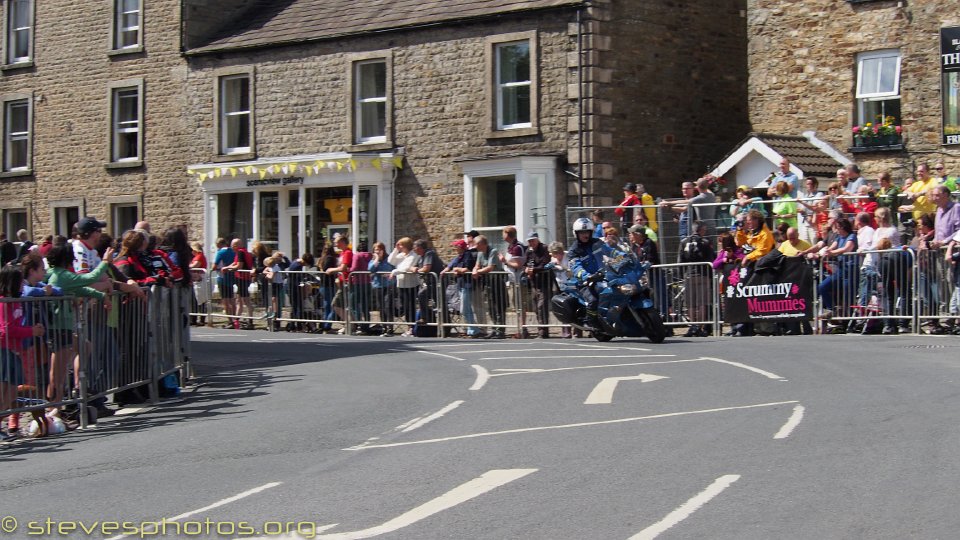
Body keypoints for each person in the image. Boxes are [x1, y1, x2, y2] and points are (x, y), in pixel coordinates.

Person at [0, 266, 45, 440]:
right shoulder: (4, 302)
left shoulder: (15, 301)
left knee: (11, 395)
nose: (22, 284)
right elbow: (6, 329)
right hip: (4, 350)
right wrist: (30, 331)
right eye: (19, 281)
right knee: (4, 394)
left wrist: (31, 330)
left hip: (14, 351)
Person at [567, 217, 613, 329]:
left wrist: (622, 256)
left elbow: (611, 252)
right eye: (582, 232)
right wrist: (586, 275)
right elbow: (576, 267)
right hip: (585, 282)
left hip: (603, 276)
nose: (585, 235)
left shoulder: (597, 242)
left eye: (587, 231)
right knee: (593, 300)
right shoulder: (574, 250)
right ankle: (591, 321)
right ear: (576, 234)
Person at [678, 220, 715, 337]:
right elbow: (711, 258)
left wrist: (680, 275)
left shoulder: (684, 242)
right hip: (703, 274)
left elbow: (680, 260)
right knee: (702, 303)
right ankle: (699, 326)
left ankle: (692, 326)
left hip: (689, 275)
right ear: (702, 230)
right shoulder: (705, 242)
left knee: (691, 304)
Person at [444, 239, 481, 337]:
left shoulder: (467, 255)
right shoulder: (458, 257)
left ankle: (474, 329)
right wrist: (445, 271)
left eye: (456, 246)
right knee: (465, 308)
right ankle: (472, 329)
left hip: (467, 284)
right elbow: (450, 265)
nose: (455, 248)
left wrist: (457, 269)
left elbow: (468, 268)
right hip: (460, 284)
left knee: (464, 308)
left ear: (461, 247)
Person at [472, 235, 507, 339]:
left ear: (483, 244)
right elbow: (477, 265)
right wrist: (475, 269)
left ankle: (500, 330)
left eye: (477, 244)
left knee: (499, 306)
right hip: (487, 282)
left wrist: (477, 271)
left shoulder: (493, 251)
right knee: (491, 307)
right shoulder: (480, 253)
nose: (475, 246)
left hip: (496, 281)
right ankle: (494, 328)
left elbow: (490, 267)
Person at [523, 231, 552, 338]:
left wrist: (533, 270)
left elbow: (545, 264)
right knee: (536, 308)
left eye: (533, 241)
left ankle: (543, 331)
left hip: (544, 282)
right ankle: (541, 328)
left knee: (541, 306)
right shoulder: (528, 251)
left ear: (537, 239)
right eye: (529, 241)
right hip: (534, 283)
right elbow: (525, 264)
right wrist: (526, 269)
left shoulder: (544, 248)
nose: (531, 243)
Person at [221, 239, 256, 329]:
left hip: (243, 278)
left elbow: (239, 266)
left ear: (236, 245)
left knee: (246, 301)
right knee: (239, 301)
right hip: (242, 278)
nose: (232, 247)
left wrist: (228, 269)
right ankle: (235, 321)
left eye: (233, 245)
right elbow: (235, 263)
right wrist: (228, 267)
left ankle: (250, 321)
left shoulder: (240, 252)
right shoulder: (242, 252)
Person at [389, 237, 418, 336]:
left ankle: (412, 328)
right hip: (401, 284)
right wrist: (395, 249)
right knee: (405, 307)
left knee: (410, 306)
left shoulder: (413, 255)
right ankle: (409, 326)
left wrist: (394, 271)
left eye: (400, 245)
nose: (399, 246)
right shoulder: (400, 255)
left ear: (406, 246)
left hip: (410, 284)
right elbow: (391, 261)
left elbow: (406, 267)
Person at [325, 235, 353, 330]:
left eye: (337, 242)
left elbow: (343, 268)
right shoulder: (342, 253)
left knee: (335, 304)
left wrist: (331, 270)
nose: (335, 244)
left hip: (347, 282)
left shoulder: (348, 253)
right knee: (343, 305)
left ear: (342, 242)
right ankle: (350, 323)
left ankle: (350, 324)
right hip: (341, 282)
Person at [368, 243, 395, 336]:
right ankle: (384, 327)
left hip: (388, 285)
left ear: (383, 250)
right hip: (378, 285)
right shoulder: (373, 260)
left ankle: (390, 327)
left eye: (379, 249)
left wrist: (389, 274)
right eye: (375, 250)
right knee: (381, 307)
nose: (377, 251)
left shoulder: (389, 259)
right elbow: (370, 269)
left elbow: (393, 269)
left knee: (388, 306)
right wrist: (376, 259)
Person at [211, 238, 236, 329]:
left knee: (225, 301)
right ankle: (235, 319)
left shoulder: (220, 252)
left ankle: (230, 321)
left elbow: (214, 266)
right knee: (232, 299)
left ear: (219, 244)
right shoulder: (233, 252)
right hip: (232, 277)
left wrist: (215, 268)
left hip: (222, 277)